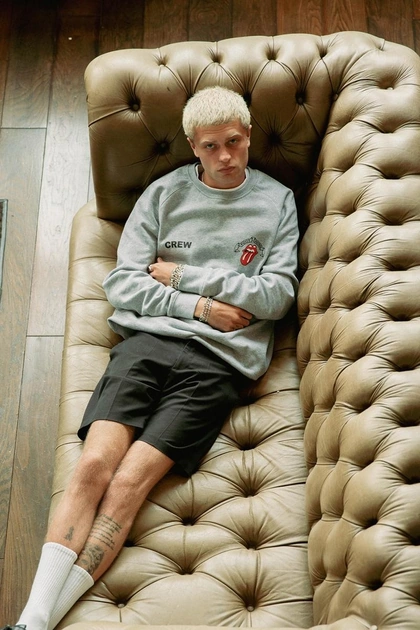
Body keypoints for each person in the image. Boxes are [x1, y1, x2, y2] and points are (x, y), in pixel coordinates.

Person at [5, 85, 299, 630]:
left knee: (128, 484)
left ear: (249, 134)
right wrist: (204, 307)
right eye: (210, 146)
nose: (226, 157)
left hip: (220, 365)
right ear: (193, 146)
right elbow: (123, 284)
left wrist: (183, 276)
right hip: (146, 344)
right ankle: (33, 618)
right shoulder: (164, 196)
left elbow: (276, 295)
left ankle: (37, 623)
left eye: (234, 142)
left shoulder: (277, 201)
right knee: (93, 466)